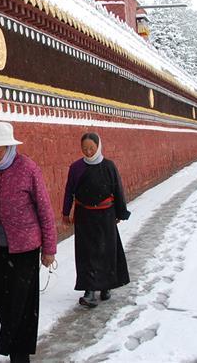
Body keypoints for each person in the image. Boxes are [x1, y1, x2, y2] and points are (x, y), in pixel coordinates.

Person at [0, 121, 57, 363]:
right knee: (0, 300)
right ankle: (15, 343)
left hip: (25, 247)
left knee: (23, 303)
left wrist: (49, 248)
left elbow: (45, 210)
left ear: (9, 147)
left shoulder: (28, 169)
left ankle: (19, 354)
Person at [61, 132, 130, 308]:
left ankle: (106, 286)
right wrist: (65, 211)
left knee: (106, 251)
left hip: (106, 215)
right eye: (85, 149)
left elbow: (118, 190)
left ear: (98, 147)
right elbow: (69, 190)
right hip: (84, 216)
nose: (89, 152)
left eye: (91, 148)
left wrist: (121, 213)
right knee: (87, 253)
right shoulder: (76, 168)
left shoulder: (109, 166)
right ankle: (89, 290)